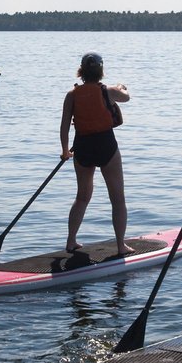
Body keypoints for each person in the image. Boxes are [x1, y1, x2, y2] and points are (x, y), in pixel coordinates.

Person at [60, 52, 133, 256]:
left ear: (81, 71)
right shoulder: (108, 91)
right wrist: (121, 88)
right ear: (100, 71)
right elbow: (126, 97)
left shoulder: (71, 95)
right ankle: (120, 245)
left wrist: (65, 151)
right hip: (106, 146)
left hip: (82, 147)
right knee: (118, 199)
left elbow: (64, 127)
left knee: (82, 197)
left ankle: (71, 241)